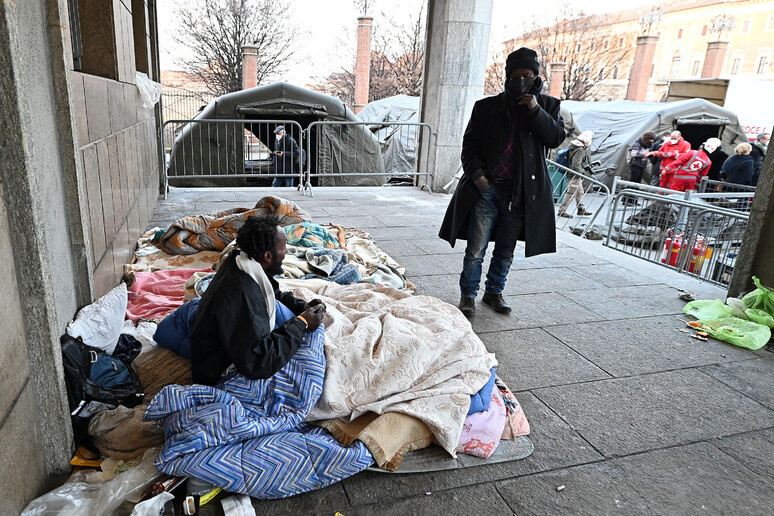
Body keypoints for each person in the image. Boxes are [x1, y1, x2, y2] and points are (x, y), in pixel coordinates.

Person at [438, 47, 565, 318]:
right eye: (517, 76)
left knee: (506, 250)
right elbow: (468, 145)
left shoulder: (549, 106)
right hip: (488, 189)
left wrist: (534, 109)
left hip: (522, 193)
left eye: (528, 75)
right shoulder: (486, 107)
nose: (522, 81)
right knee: (476, 248)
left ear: (536, 76)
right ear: (507, 78)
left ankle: (494, 291)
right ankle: (468, 295)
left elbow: (555, 138)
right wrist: (478, 177)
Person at [190, 215, 326, 386]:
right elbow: (260, 362)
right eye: (283, 248)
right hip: (217, 373)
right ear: (268, 256)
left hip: (226, 345)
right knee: (310, 368)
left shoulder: (240, 260)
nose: (287, 252)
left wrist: (302, 306)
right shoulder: (243, 295)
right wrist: (302, 323)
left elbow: (272, 292)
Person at [557, 130, 595, 218]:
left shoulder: (574, 146)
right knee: (571, 192)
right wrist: (580, 174)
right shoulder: (580, 149)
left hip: (573, 172)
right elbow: (576, 163)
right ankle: (562, 210)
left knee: (579, 192)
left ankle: (581, 209)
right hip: (576, 174)